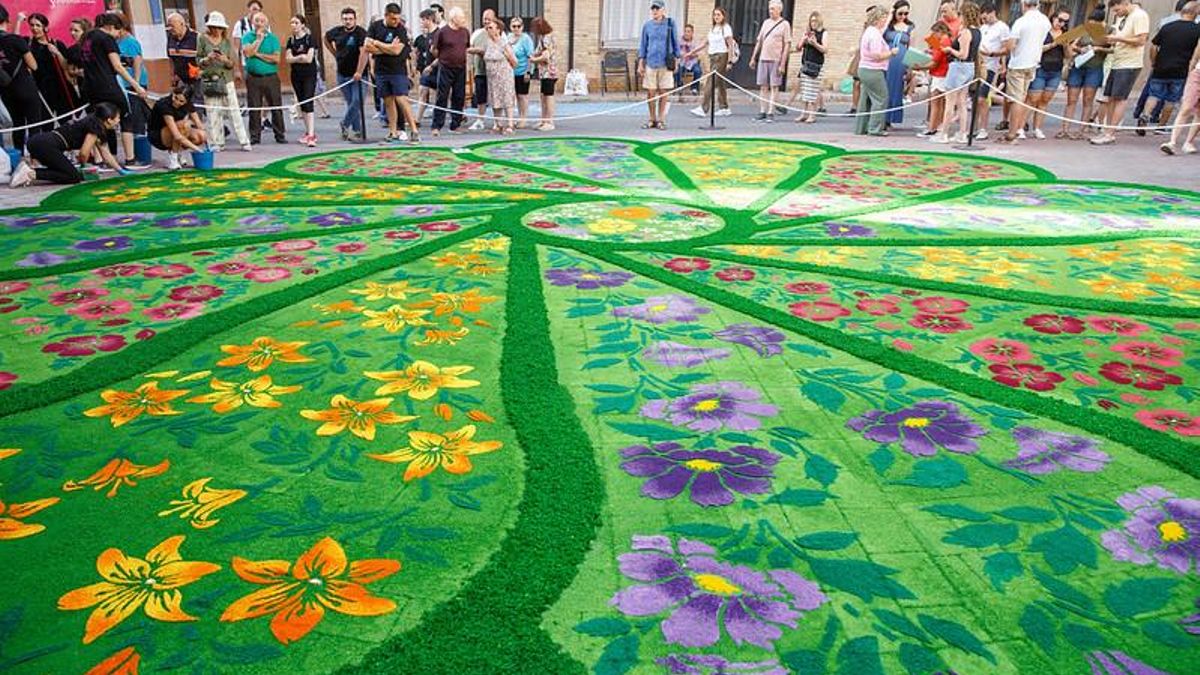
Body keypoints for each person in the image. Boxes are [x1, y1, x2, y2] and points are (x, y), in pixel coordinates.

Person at [9, 102, 126, 186]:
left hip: (39, 142)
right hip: (45, 145)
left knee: (68, 171)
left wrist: (120, 170)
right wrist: (83, 165)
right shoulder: (94, 128)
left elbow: (105, 152)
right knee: (73, 176)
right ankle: (30, 173)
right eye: (118, 118)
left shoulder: (94, 122)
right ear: (109, 120)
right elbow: (84, 153)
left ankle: (29, 171)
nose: (119, 121)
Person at [82, 12, 145, 161]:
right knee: (126, 116)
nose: (118, 35)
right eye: (118, 31)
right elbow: (117, 66)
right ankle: (130, 158)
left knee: (97, 122)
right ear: (110, 27)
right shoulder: (107, 39)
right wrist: (136, 86)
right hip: (108, 85)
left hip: (90, 87)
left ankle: (100, 159)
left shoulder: (87, 37)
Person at [1091, 0, 1149, 145]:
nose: (1116, 14)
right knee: (1110, 97)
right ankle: (1107, 131)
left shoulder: (1139, 15)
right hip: (1118, 61)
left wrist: (1117, 38)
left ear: (1124, 3)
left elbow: (1142, 40)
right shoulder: (1124, 17)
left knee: (1120, 98)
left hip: (1129, 64)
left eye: (1117, 10)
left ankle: (1110, 133)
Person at [1139, 1, 1200, 135]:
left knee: (1154, 95)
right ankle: (1161, 126)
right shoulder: (1197, 30)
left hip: (1161, 67)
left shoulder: (1167, 27)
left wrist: (1154, 62)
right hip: (1181, 69)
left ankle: (1145, 116)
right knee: (1171, 99)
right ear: (1195, 14)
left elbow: (1154, 46)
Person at [999, 0, 1051, 144]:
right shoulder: (1045, 20)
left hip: (1019, 63)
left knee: (1017, 100)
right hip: (1033, 62)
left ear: (1024, 4)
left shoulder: (1021, 21)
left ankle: (1012, 133)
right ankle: (1017, 129)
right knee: (1022, 98)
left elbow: (1011, 45)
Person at [366, 2, 418, 144]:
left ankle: (414, 131)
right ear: (386, 16)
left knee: (402, 99)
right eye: (393, 19)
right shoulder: (375, 26)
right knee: (388, 101)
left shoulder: (400, 29)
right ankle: (393, 131)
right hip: (381, 70)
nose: (396, 22)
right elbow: (367, 47)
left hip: (398, 70)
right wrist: (388, 47)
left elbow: (397, 51)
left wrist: (378, 43)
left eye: (398, 18)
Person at [198, 11, 250, 152]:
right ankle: (216, 142)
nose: (216, 30)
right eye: (214, 27)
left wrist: (224, 60)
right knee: (213, 112)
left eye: (219, 27)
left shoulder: (226, 43)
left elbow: (232, 63)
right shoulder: (202, 39)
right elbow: (198, 61)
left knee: (234, 111)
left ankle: (244, 141)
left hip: (226, 79)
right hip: (210, 79)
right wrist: (207, 59)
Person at [17, 13, 77, 131]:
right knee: (46, 125)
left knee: (66, 123)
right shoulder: (28, 44)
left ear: (45, 27)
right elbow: (14, 41)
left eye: (38, 25)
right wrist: (19, 22)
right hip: (40, 90)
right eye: (32, 25)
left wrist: (57, 53)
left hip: (60, 89)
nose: (34, 28)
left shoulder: (56, 44)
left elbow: (66, 67)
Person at [932, 1, 980, 143]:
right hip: (969, 67)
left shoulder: (966, 32)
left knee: (950, 102)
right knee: (962, 102)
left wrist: (950, 50)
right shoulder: (977, 32)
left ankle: (944, 134)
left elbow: (963, 54)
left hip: (959, 67)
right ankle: (962, 133)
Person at [0, 4, 39, 154]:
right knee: (35, 123)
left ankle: (19, 159)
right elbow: (33, 65)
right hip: (25, 87)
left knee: (17, 125)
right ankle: (35, 159)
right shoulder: (15, 40)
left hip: (5, 90)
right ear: (6, 20)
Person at [242, 10, 285, 144]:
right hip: (253, 77)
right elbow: (248, 53)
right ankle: (255, 136)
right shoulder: (247, 37)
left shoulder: (273, 39)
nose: (259, 24)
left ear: (266, 24)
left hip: (271, 77)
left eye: (262, 21)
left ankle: (280, 135)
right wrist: (258, 40)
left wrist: (258, 54)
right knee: (254, 107)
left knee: (276, 107)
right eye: (257, 21)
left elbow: (276, 58)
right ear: (252, 23)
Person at [325, 6, 367, 142]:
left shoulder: (361, 33)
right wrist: (334, 53)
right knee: (350, 103)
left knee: (357, 101)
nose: (347, 21)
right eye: (345, 19)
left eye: (350, 19)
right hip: (342, 73)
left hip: (358, 75)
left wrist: (359, 71)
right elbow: (326, 38)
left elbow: (363, 53)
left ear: (355, 19)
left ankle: (345, 123)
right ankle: (357, 130)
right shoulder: (336, 32)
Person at [1027, 7, 1070, 139]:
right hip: (1041, 67)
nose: (1061, 24)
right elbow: (1035, 48)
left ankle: (1038, 128)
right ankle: (1021, 126)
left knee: (1045, 100)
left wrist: (1065, 45)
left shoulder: (1065, 34)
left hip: (1055, 69)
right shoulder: (1044, 31)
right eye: (1060, 20)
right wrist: (1053, 44)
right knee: (1033, 99)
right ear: (1053, 17)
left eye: (1065, 22)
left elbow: (1068, 56)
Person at [856, 5, 898, 135]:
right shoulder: (874, 35)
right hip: (873, 70)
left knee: (866, 100)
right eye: (883, 18)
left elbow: (883, 29)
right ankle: (875, 128)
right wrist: (891, 53)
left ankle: (861, 128)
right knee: (881, 98)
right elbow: (876, 55)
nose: (885, 21)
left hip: (864, 69)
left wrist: (891, 13)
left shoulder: (870, 31)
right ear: (877, 18)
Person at [688, 6, 734, 118]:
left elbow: (730, 45)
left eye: (719, 15)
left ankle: (703, 108)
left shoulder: (726, 28)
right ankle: (724, 107)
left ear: (723, 16)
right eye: (715, 15)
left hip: (721, 56)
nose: (716, 17)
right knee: (720, 82)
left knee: (710, 82)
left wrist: (730, 61)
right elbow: (705, 43)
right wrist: (692, 52)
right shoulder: (713, 29)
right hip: (712, 57)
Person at [115, 23, 150, 168]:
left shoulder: (131, 42)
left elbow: (137, 62)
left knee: (136, 117)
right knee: (129, 116)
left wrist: (136, 84)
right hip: (123, 84)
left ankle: (141, 154)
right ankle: (134, 153)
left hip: (134, 84)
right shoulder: (115, 41)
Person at [431, 6, 469, 136]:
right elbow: (434, 49)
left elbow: (466, 47)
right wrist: (442, 59)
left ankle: (455, 124)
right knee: (442, 96)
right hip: (446, 67)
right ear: (454, 18)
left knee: (459, 96)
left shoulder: (465, 32)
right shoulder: (442, 32)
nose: (464, 19)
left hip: (461, 68)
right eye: (462, 17)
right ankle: (436, 126)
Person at [748, 0, 789, 123]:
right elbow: (759, 41)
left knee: (774, 86)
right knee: (763, 86)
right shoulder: (766, 23)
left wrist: (783, 63)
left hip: (776, 59)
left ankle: (771, 112)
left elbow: (787, 45)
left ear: (779, 10)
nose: (770, 11)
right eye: (770, 8)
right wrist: (753, 57)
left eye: (773, 9)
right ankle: (762, 111)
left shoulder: (785, 24)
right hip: (763, 58)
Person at [974, 2, 1010, 139]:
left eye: (986, 17)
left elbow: (1006, 48)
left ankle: (983, 127)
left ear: (992, 13)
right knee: (976, 98)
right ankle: (976, 126)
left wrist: (993, 54)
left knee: (983, 97)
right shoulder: (983, 27)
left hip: (989, 65)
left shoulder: (1002, 28)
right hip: (979, 64)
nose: (984, 20)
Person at [1160, 36, 1200, 154]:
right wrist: (1190, 71)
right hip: (1197, 74)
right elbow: (1196, 55)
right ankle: (1172, 142)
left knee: (1199, 112)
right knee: (1186, 107)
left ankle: (1189, 142)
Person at [151, 84, 206, 169]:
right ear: (173, 93)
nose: (176, 102)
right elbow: (176, 135)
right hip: (158, 135)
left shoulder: (188, 104)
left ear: (186, 101)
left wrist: (207, 144)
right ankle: (173, 160)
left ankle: (178, 152)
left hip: (176, 130)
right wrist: (197, 149)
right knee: (184, 125)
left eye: (181, 101)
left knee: (201, 136)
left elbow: (199, 125)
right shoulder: (164, 104)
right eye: (175, 98)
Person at [285, 14, 319, 147]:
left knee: (308, 101)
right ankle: (307, 132)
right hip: (296, 75)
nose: (293, 25)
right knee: (302, 103)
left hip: (309, 75)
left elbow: (309, 58)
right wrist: (300, 57)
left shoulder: (309, 39)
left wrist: (297, 57)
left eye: (296, 23)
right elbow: (288, 58)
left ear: (303, 25)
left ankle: (312, 135)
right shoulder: (291, 40)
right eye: (292, 23)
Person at [789, 11, 826, 123]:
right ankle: (803, 114)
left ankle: (812, 115)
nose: (813, 23)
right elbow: (798, 47)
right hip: (805, 64)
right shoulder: (807, 33)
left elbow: (825, 49)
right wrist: (803, 41)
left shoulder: (823, 33)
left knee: (812, 91)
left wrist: (815, 43)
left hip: (816, 65)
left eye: (815, 21)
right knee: (804, 91)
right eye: (811, 21)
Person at [482, 17, 516, 134]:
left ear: (498, 30)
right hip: (492, 77)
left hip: (504, 76)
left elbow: (515, 62)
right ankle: (497, 124)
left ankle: (510, 124)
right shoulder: (487, 42)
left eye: (491, 28)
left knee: (507, 98)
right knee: (495, 99)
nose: (488, 30)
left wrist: (508, 56)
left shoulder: (504, 43)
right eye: (487, 28)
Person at [884, 1, 914, 128]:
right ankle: (882, 117)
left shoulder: (909, 27)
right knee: (885, 87)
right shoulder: (888, 26)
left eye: (906, 13)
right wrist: (889, 17)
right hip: (887, 58)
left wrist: (910, 66)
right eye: (900, 13)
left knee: (896, 88)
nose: (903, 16)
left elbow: (911, 46)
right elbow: (880, 35)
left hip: (900, 60)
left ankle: (891, 117)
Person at [468, 9, 499, 131]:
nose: (486, 21)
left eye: (489, 19)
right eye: (484, 18)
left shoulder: (498, 33)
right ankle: (480, 120)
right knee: (480, 96)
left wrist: (482, 51)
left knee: (495, 97)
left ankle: (497, 122)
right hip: (480, 70)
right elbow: (470, 48)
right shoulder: (477, 33)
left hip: (494, 71)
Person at [529, 16, 558, 130]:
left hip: (548, 72)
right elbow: (539, 52)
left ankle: (549, 121)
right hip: (545, 72)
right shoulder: (545, 37)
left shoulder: (546, 38)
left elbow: (545, 57)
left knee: (548, 96)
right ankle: (543, 120)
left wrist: (533, 60)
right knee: (543, 96)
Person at [413, 9, 438, 125]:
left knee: (441, 96)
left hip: (438, 70)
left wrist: (432, 66)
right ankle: (417, 120)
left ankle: (439, 121)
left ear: (429, 19)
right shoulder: (427, 35)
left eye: (423, 20)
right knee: (422, 91)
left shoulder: (438, 34)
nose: (421, 23)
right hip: (427, 69)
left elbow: (443, 55)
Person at [509, 16, 534, 128]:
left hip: (523, 71)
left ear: (522, 27)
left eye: (518, 26)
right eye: (514, 26)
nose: (516, 28)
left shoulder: (526, 39)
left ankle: (523, 118)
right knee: (513, 96)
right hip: (510, 72)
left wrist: (528, 72)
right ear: (511, 27)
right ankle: (516, 117)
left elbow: (530, 56)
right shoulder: (509, 38)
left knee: (522, 96)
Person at [165, 12, 198, 91]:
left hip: (196, 80)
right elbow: (171, 59)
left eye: (172, 26)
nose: (170, 29)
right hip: (181, 81)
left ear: (182, 24)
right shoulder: (170, 38)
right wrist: (172, 75)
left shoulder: (196, 38)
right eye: (168, 26)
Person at [232, 0, 263, 81]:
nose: (255, 12)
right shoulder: (241, 24)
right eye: (254, 9)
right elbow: (236, 48)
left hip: (263, 63)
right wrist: (237, 69)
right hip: (248, 64)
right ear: (249, 9)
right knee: (253, 91)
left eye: (257, 10)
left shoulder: (264, 24)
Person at [674, 23, 702, 95]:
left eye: (689, 31)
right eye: (685, 31)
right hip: (682, 62)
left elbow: (699, 53)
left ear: (692, 33)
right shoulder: (679, 41)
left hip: (692, 62)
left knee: (698, 71)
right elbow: (676, 52)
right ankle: (679, 86)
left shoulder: (696, 41)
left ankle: (694, 88)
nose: (686, 33)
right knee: (678, 70)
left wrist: (691, 54)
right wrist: (681, 54)